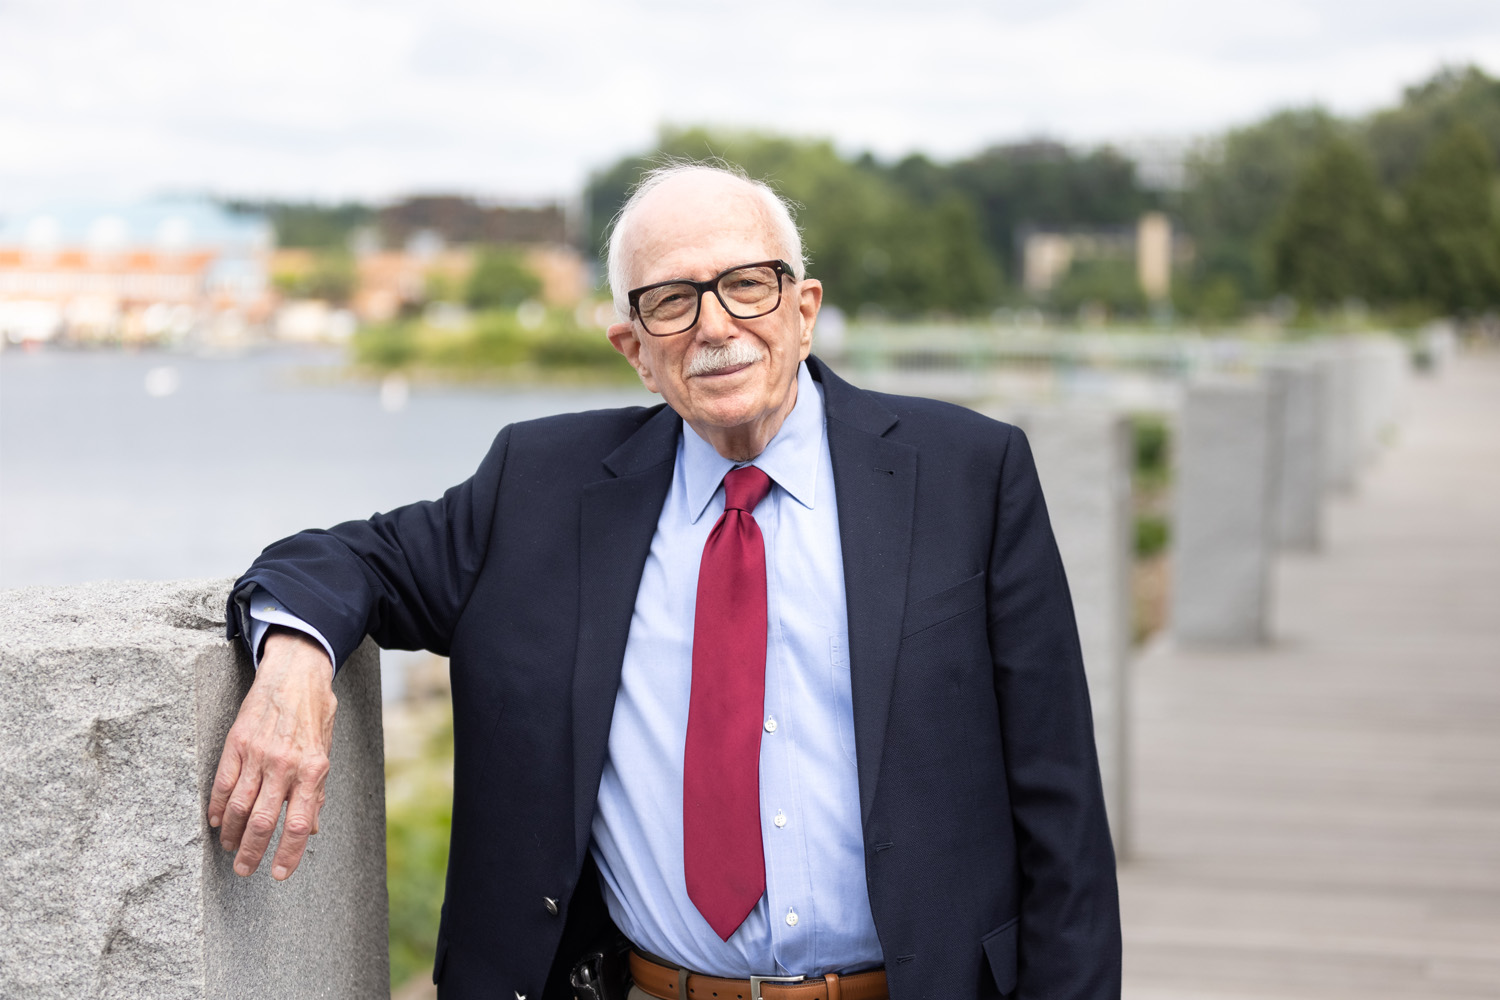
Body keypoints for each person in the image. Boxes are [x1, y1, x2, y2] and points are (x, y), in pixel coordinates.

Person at [209, 163, 1121, 1000]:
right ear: (633, 349)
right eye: (672, 301)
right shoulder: (538, 489)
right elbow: (349, 559)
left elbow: (1062, 812)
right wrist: (294, 658)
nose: (717, 325)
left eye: (747, 285)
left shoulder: (967, 474)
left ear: (804, 309)